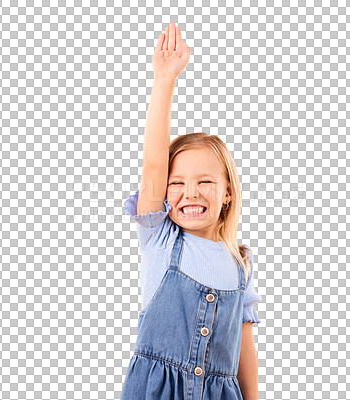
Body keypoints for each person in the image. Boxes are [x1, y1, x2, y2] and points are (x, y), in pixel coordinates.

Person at [120, 22, 262, 400]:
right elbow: (153, 164)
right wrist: (164, 80)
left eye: (205, 182)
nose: (190, 193)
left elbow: (244, 349)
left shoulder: (240, 263)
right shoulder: (160, 237)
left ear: (228, 192)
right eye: (177, 182)